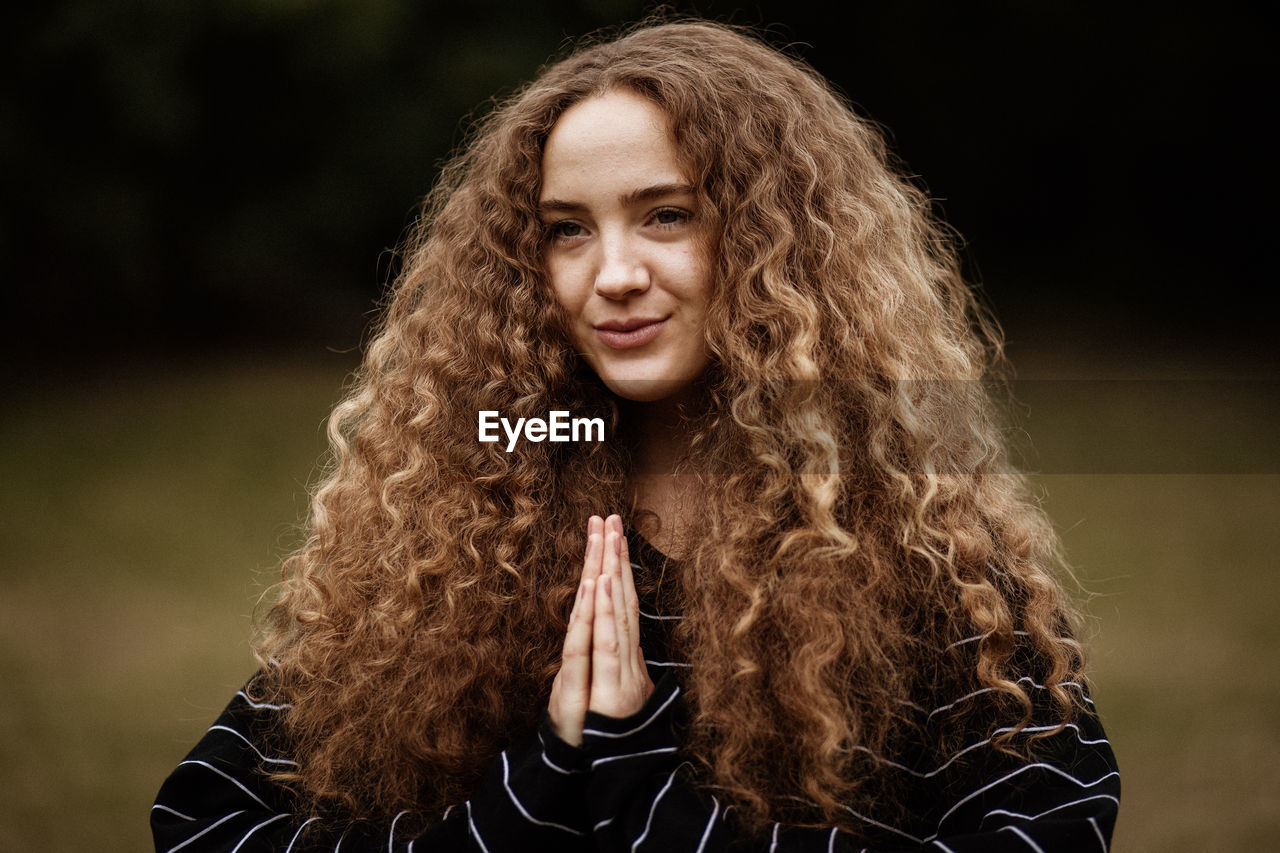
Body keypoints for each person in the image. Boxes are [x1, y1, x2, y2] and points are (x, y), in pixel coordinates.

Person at [152, 18, 1120, 852]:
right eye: (566, 229)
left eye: (665, 215)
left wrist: (635, 771)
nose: (611, 272)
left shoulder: (921, 548)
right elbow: (206, 818)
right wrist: (540, 779)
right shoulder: (463, 513)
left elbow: (1049, 822)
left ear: (773, 237)